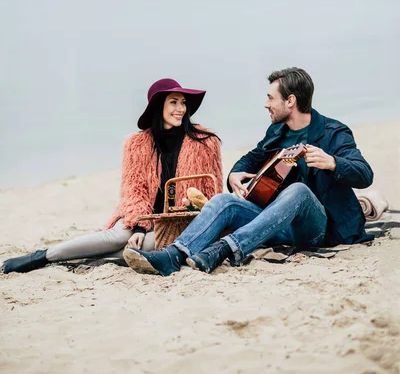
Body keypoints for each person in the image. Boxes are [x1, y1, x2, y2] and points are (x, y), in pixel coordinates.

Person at [122, 67, 374, 277]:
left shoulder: (334, 132)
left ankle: (224, 249)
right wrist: (235, 174)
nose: (266, 104)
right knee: (224, 200)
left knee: (299, 191)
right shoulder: (278, 132)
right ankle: (174, 255)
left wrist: (333, 163)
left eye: (270, 98)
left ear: (291, 101)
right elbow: (249, 159)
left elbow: (365, 174)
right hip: (277, 224)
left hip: (321, 229)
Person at [2, 78, 223, 274]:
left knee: (144, 246)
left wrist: (192, 206)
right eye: (173, 102)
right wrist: (138, 226)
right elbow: (133, 192)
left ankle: (79, 261)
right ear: (159, 107)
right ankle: (43, 256)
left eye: (183, 102)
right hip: (139, 215)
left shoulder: (205, 142)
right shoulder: (137, 144)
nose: (181, 108)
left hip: (177, 222)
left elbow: (213, 193)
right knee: (119, 237)